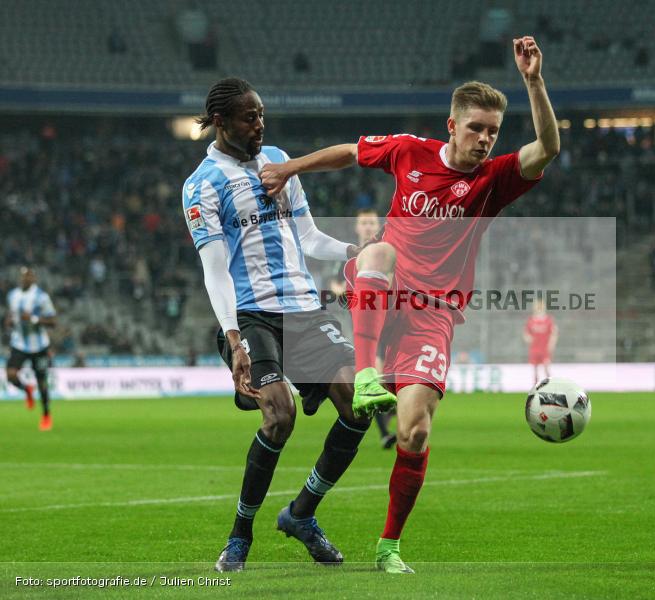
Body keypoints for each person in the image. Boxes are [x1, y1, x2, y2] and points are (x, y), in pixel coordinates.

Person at [261, 36, 559, 573]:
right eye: (476, 128)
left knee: (414, 431)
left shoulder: (494, 180)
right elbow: (351, 153)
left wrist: (534, 82)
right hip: (383, 289)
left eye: (493, 131)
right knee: (378, 249)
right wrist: (290, 169)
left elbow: (548, 150)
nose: (486, 139)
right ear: (452, 125)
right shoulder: (408, 151)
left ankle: (387, 546)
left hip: (434, 315)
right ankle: (366, 371)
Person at [182, 77, 371, 572]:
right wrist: (233, 339)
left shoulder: (280, 162)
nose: (260, 124)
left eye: (262, 114)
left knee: (359, 403)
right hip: (252, 314)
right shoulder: (202, 186)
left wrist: (354, 251)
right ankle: (240, 534)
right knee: (280, 415)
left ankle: (301, 515)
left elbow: (307, 237)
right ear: (221, 122)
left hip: (305, 309)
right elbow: (214, 269)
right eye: (250, 117)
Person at [326, 209, 397, 449]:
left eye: (371, 223)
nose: (367, 227)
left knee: (386, 378)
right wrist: (345, 292)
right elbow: (334, 286)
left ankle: (390, 412)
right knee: (374, 374)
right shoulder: (347, 259)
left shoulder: (386, 252)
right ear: (357, 227)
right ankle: (385, 431)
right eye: (363, 223)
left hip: (390, 323)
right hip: (362, 326)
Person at [4, 267, 56, 431]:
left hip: (39, 346)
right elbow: (11, 315)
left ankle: (46, 415)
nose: (26, 279)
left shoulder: (42, 297)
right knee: (11, 375)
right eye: (24, 276)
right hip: (19, 343)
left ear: (34, 278)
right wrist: (9, 322)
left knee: (42, 383)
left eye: (30, 276)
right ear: (20, 278)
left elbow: (53, 322)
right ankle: (27, 390)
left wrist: (33, 319)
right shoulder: (12, 295)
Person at [523, 298, 557, 385]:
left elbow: (554, 333)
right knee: (535, 369)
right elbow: (526, 333)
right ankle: (535, 387)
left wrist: (552, 343)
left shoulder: (548, 320)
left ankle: (550, 385)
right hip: (535, 348)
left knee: (546, 368)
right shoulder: (531, 320)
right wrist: (528, 338)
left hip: (544, 348)